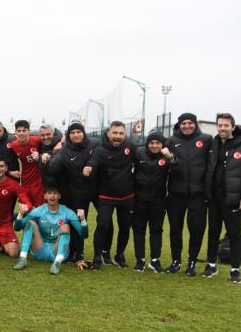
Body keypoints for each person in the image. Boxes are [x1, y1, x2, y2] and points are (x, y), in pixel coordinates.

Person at [203, 113, 241, 283]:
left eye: (226, 125)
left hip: (234, 200)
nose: (222, 128)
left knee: (234, 234)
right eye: (220, 125)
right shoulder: (213, 144)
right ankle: (211, 266)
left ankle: (235, 271)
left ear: (232, 127)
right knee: (213, 233)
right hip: (214, 198)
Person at [85, 121, 137, 270]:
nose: (117, 136)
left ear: (124, 135)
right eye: (115, 133)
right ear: (109, 133)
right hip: (107, 196)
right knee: (103, 225)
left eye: (121, 133)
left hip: (127, 196)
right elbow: (93, 162)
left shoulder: (130, 147)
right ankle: (97, 258)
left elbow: (142, 159)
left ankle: (119, 255)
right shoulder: (100, 150)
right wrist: (89, 168)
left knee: (125, 227)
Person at [165, 113, 212, 276]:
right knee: (175, 229)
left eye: (190, 123)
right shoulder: (171, 141)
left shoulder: (206, 140)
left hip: (198, 194)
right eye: (183, 123)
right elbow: (167, 164)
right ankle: (175, 261)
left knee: (197, 230)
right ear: (179, 125)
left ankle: (192, 262)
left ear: (195, 124)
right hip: (176, 194)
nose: (187, 126)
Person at [46, 122, 99, 264]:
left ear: (84, 133)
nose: (76, 135)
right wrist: (49, 157)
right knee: (76, 223)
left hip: (96, 191)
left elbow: (104, 146)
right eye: (72, 132)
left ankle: (100, 253)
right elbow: (52, 168)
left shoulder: (94, 144)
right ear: (68, 136)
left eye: (78, 132)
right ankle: (75, 252)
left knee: (101, 222)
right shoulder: (64, 151)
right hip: (75, 193)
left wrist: (91, 166)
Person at [12, 186, 88, 275]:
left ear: (59, 196)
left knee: (65, 226)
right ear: (45, 196)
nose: (52, 196)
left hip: (56, 251)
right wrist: (21, 214)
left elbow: (84, 234)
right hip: (40, 249)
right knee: (30, 223)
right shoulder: (39, 210)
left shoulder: (67, 212)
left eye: (55, 193)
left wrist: (83, 220)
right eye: (49, 193)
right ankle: (22, 259)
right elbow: (17, 228)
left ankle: (57, 263)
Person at [132, 131, 175, 272]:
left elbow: (178, 167)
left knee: (156, 230)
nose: (154, 145)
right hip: (140, 199)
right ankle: (140, 260)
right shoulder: (138, 154)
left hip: (159, 200)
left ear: (162, 144)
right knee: (139, 229)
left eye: (157, 143)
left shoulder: (166, 156)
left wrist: (171, 157)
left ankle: (155, 261)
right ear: (147, 144)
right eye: (151, 143)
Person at [0, 157, 33, 257]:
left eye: (1, 166)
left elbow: (27, 202)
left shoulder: (14, 185)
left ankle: (2, 243)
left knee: (14, 254)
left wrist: (26, 207)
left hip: (5, 224)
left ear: (6, 168)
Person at [10, 120, 51, 206]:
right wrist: (10, 171)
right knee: (26, 207)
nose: (21, 133)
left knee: (39, 207)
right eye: (19, 131)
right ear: (16, 132)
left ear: (29, 131)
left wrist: (39, 156)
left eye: (24, 130)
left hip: (38, 180)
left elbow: (55, 136)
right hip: (25, 180)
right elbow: (7, 160)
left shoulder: (37, 140)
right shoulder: (13, 145)